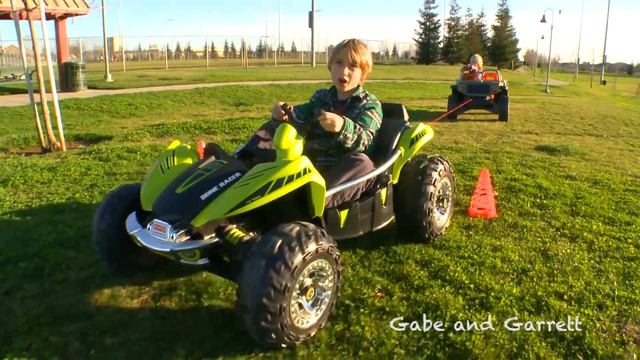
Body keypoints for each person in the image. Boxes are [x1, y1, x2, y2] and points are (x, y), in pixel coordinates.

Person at [239, 38, 383, 208]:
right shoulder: (321, 98)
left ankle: (310, 203)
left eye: (353, 66)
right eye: (339, 62)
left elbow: (365, 142)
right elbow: (299, 116)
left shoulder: (369, 105)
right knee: (271, 129)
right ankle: (240, 171)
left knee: (362, 163)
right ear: (331, 67)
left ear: (363, 75)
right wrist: (283, 115)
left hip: (340, 171)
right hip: (307, 167)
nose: (344, 71)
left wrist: (342, 126)